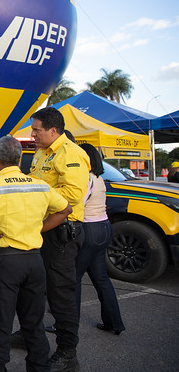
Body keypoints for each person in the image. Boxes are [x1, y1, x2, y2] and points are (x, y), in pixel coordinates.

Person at [0, 135, 72, 372]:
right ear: (20, 158)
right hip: (34, 261)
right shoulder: (39, 185)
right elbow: (66, 209)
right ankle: (39, 366)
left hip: (4, 263)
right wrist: (40, 228)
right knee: (33, 323)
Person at [21, 107, 90, 372]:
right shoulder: (41, 152)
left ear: (53, 130)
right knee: (35, 287)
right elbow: (36, 181)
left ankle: (67, 352)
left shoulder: (70, 153)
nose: (32, 134)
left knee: (61, 294)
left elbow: (72, 196)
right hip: (41, 228)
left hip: (62, 232)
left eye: (36, 129)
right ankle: (30, 335)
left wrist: (35, 190)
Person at [76, 143, 125, 335]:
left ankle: (67, 325)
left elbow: (77, 203)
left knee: (73, 278)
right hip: (104, 227)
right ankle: (114, 323)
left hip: (89, 229)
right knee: (101, 278)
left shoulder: (85, 178)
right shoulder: (99, 178)